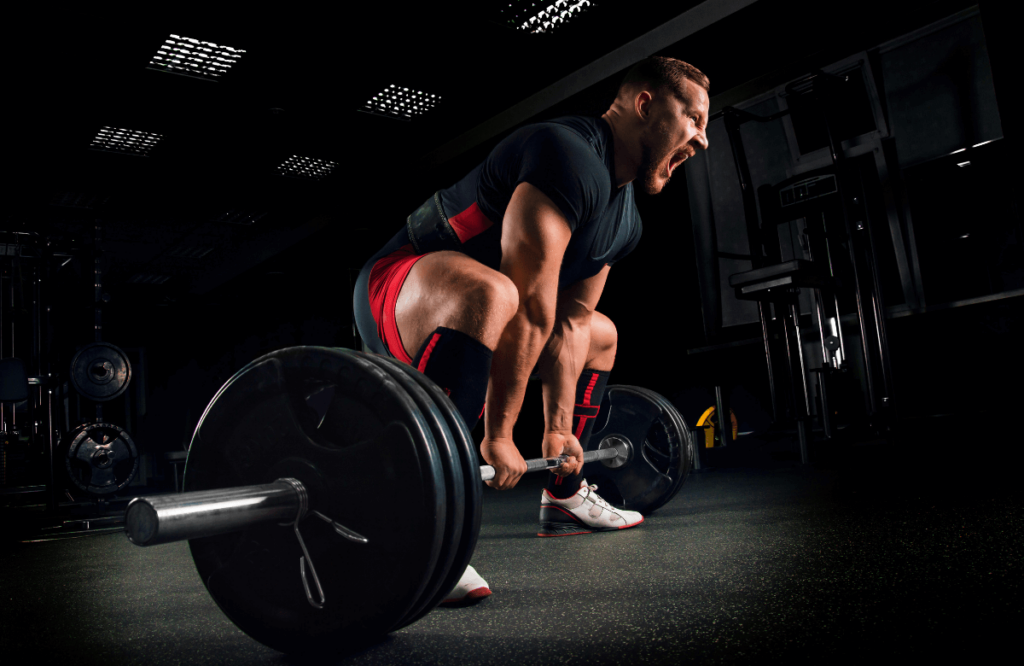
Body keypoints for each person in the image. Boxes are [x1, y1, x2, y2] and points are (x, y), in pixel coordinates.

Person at [353, 55, 709, 604]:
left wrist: (557, 433)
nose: (701, 140)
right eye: (693, 120)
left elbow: (569, 321)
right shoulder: (566, 154)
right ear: (646, 105)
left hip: (484, 313)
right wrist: (498, 435)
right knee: (495, 294)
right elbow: (529, 309)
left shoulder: (626, 216)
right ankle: (410, 528)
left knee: (601, 333)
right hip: (398, 287)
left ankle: (565, 494)